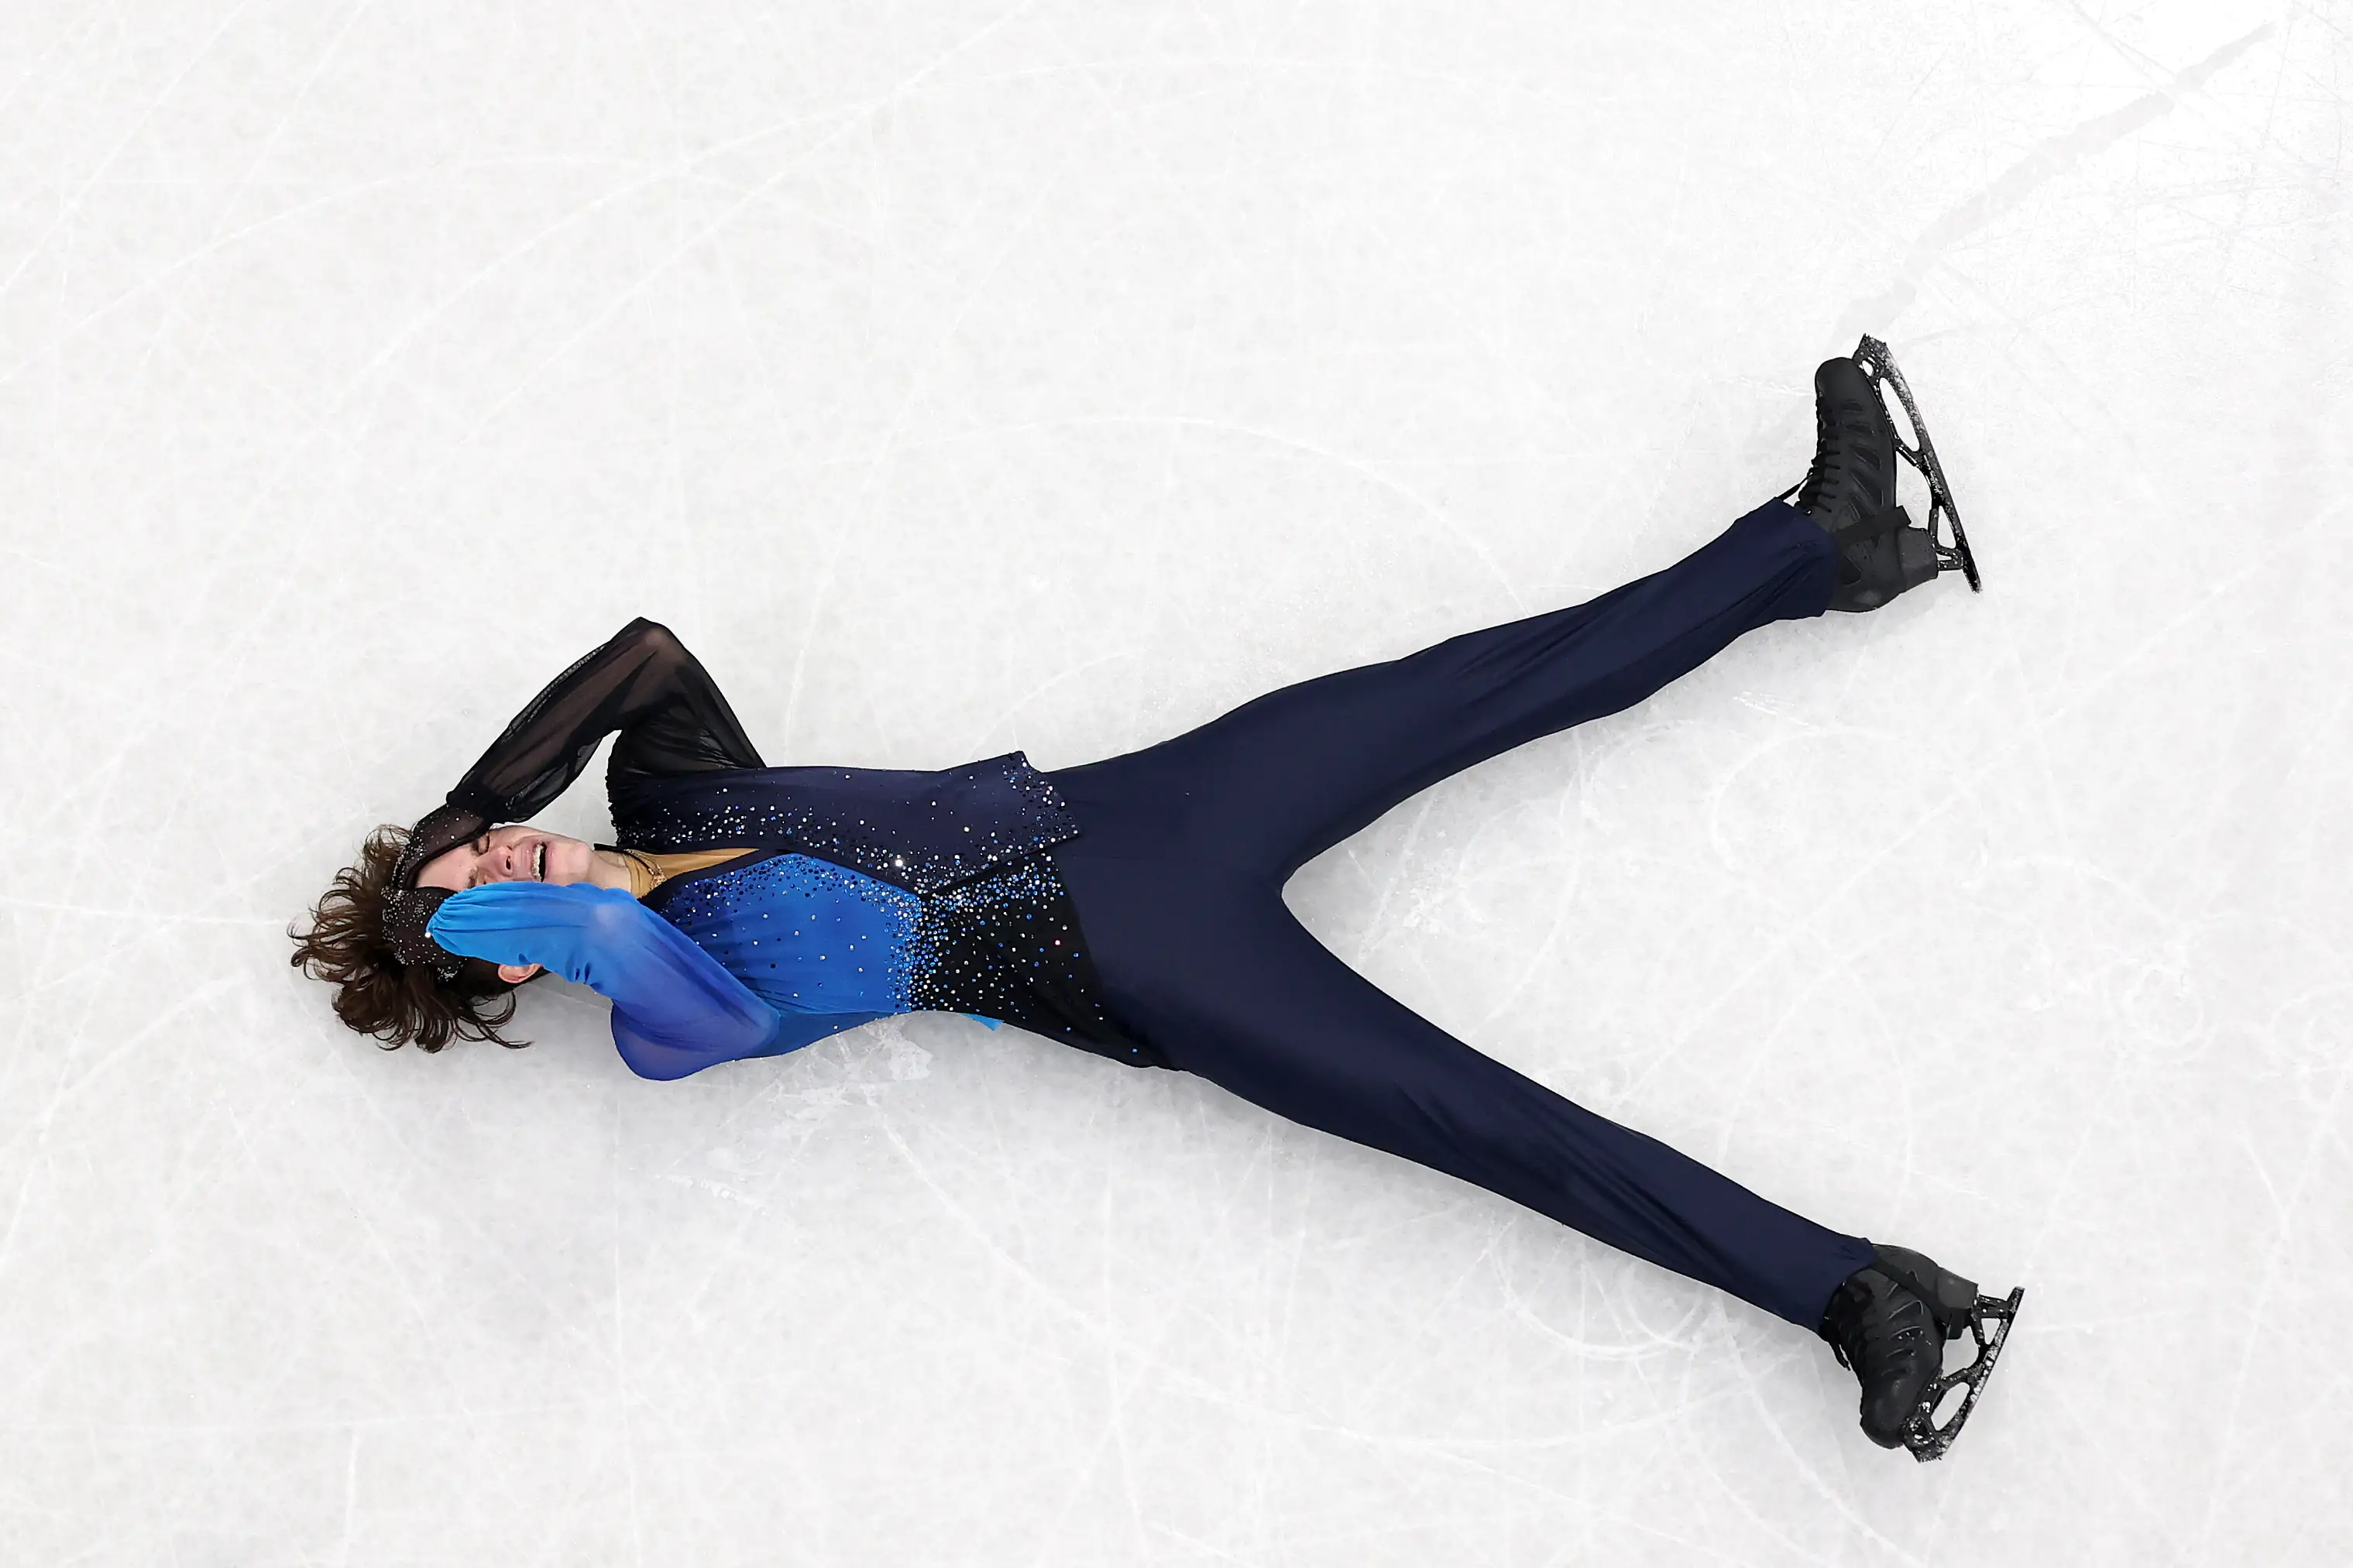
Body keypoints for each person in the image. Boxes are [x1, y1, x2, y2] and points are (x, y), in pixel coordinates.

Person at [292, 340, 2019, 1462]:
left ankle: (1821, 547)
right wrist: (462, 923)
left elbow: (643, 653)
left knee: (1476, 682)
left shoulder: (667, 789)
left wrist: (465, 803)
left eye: (488, 854)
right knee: (1492, 1124)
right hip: (1142, 968)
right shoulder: (670, 1012)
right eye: (480, 899)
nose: (506, 868)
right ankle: (1855, 1294)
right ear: (499, 946)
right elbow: (608, 938)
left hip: (1148, 802)